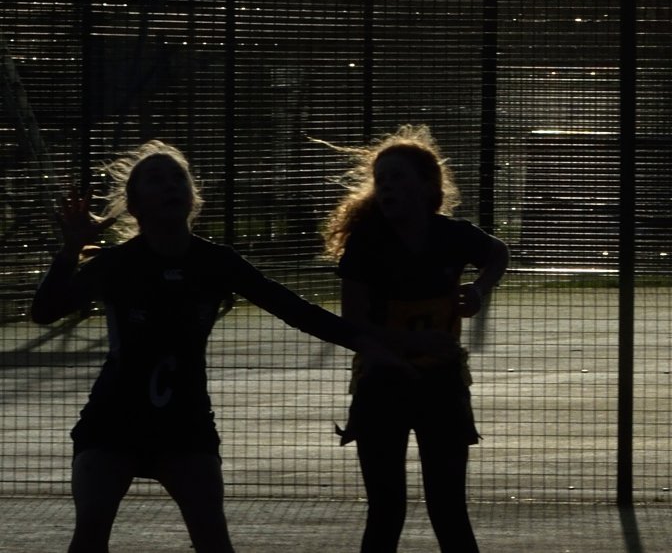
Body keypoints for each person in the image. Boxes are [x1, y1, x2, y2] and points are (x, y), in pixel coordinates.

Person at [31, 141, 405, 553]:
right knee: (90, 533)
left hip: (185, 423)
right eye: (155, 179)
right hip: (113, 422)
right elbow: (45, 312)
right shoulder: (117, 263)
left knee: (212, 538)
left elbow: (294, 309)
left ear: (193, 198)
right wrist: (69, 251)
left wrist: (364, 343)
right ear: (134, 206)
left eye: (178, 178)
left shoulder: (215, 263)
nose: (170, 185)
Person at [319, 125, 509, 553]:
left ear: (427, 186)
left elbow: (498, 253)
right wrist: (412, 344)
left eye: (398, 177)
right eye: (381, 179)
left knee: (449, 510)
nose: (387, 186)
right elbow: (354, 323)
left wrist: (479, 290)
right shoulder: (366, 244)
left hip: (441, 385)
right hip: (382, 384)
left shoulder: (452, 235)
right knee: (387, 511)